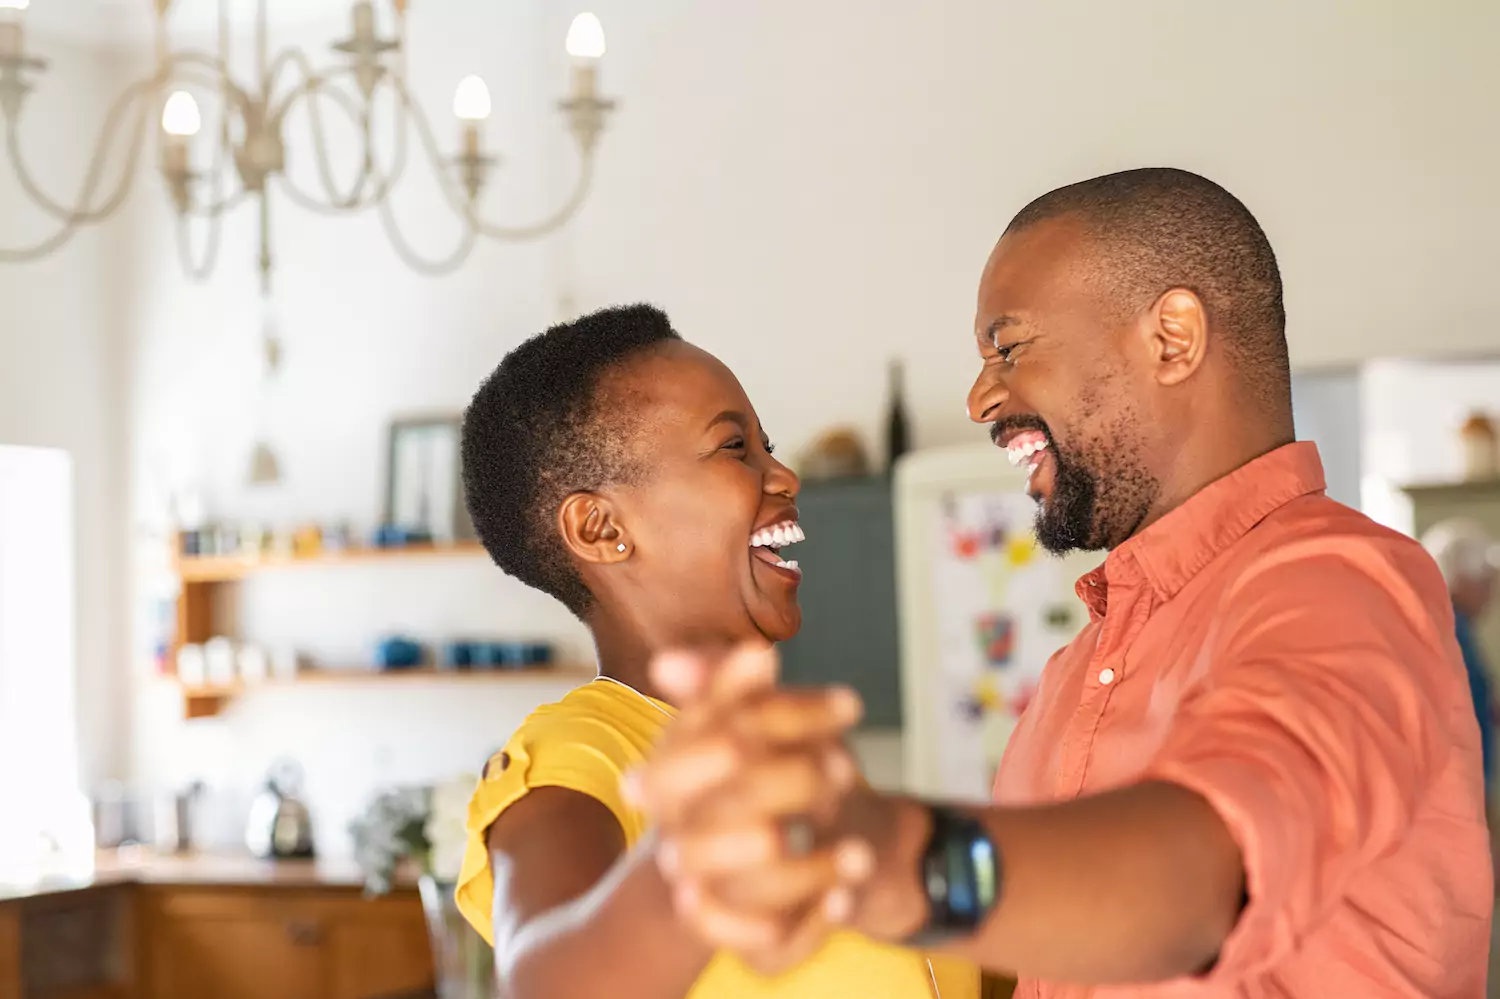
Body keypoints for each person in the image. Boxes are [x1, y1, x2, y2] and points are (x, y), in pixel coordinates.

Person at [628, 169, 1494, 997]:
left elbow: (1198, 882)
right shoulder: (1079, 669)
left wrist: (884, 855)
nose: (978, 397)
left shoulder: (1338, 585)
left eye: (1008, 346)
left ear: (1172, 337)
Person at [452, 304, 980, 999]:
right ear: (602, 525)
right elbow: (545, 977)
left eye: (768, 445)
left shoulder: (787, 759)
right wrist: (691, 873)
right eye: (735, 448)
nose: (785, 475)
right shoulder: (577, 753)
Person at [1422, 518, 1499, 800]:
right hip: (1457, 789)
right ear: (1462, 578)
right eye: (1486, 583)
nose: (1491, 597)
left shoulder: (1451, 626)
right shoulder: (1450, 631)